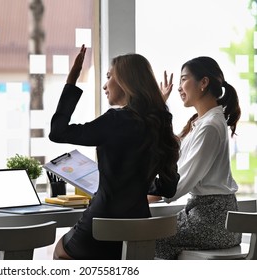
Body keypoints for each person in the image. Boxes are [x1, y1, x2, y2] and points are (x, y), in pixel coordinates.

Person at [49, 45, 180, 260]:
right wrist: (135, 186)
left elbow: (58, 132)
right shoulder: (161, 123)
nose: (104, 85)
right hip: (138, 228)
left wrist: (72, 81)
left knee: (61, 252)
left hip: (101, 224)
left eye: (109, 76)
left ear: (125, 82)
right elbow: (168, 187)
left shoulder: (115, 120)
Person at [149, 56, 242, 259]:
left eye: (184, 79)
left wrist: (139, 194)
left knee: (145, 239)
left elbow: (177, 184)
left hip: (213, 221)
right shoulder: (202, 122)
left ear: (204, 83)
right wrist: (160, 106)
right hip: (208, 217)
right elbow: (170, 158)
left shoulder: (209, 126)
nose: (179, 87)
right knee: (145, 235)